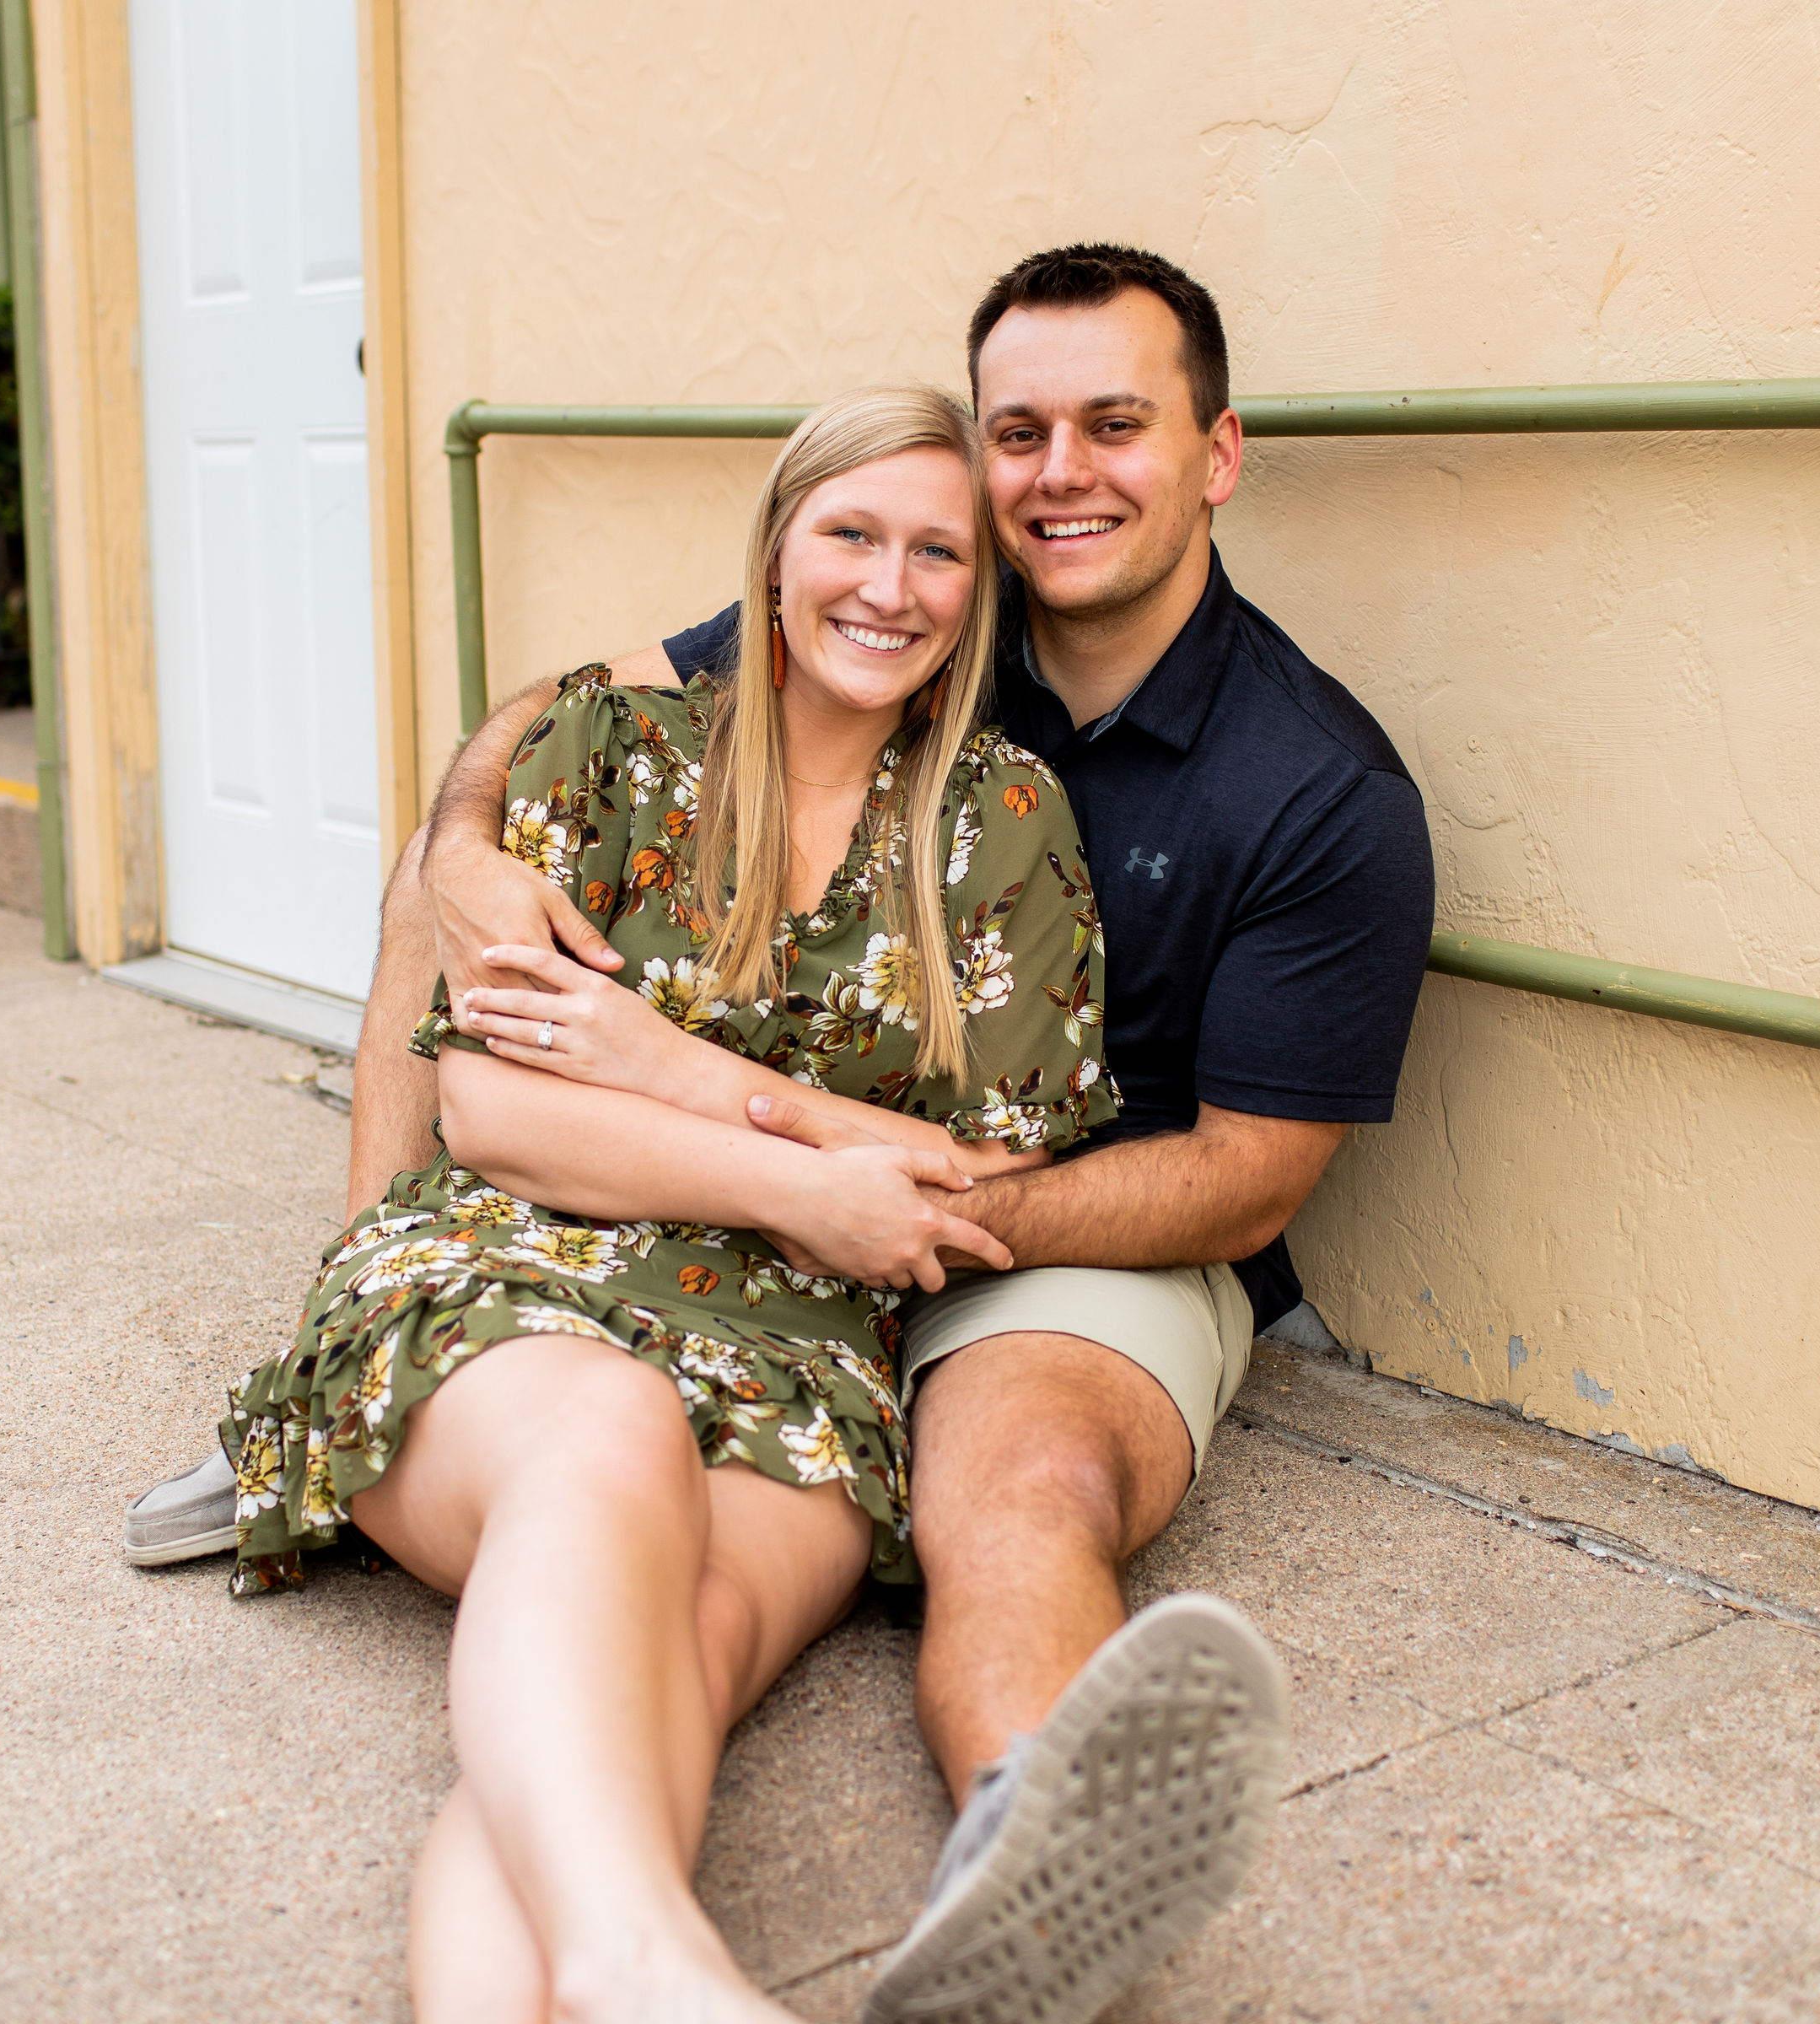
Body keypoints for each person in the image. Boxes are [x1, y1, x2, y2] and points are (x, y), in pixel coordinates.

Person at [130, 242, 1432, 2021]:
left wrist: (827, 1187)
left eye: (1115, 426)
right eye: (1022, 434)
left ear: (1216, 452)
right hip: (729, 1226)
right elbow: (541, 759)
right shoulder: (771, 676)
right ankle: (361, 1369)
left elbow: (1241, 1178)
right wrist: (461, 852)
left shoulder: (1282, 790)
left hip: (1069, 1218)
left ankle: (1029, 1834)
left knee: (984, 1500)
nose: (1059, 475)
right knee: (601, 1483)